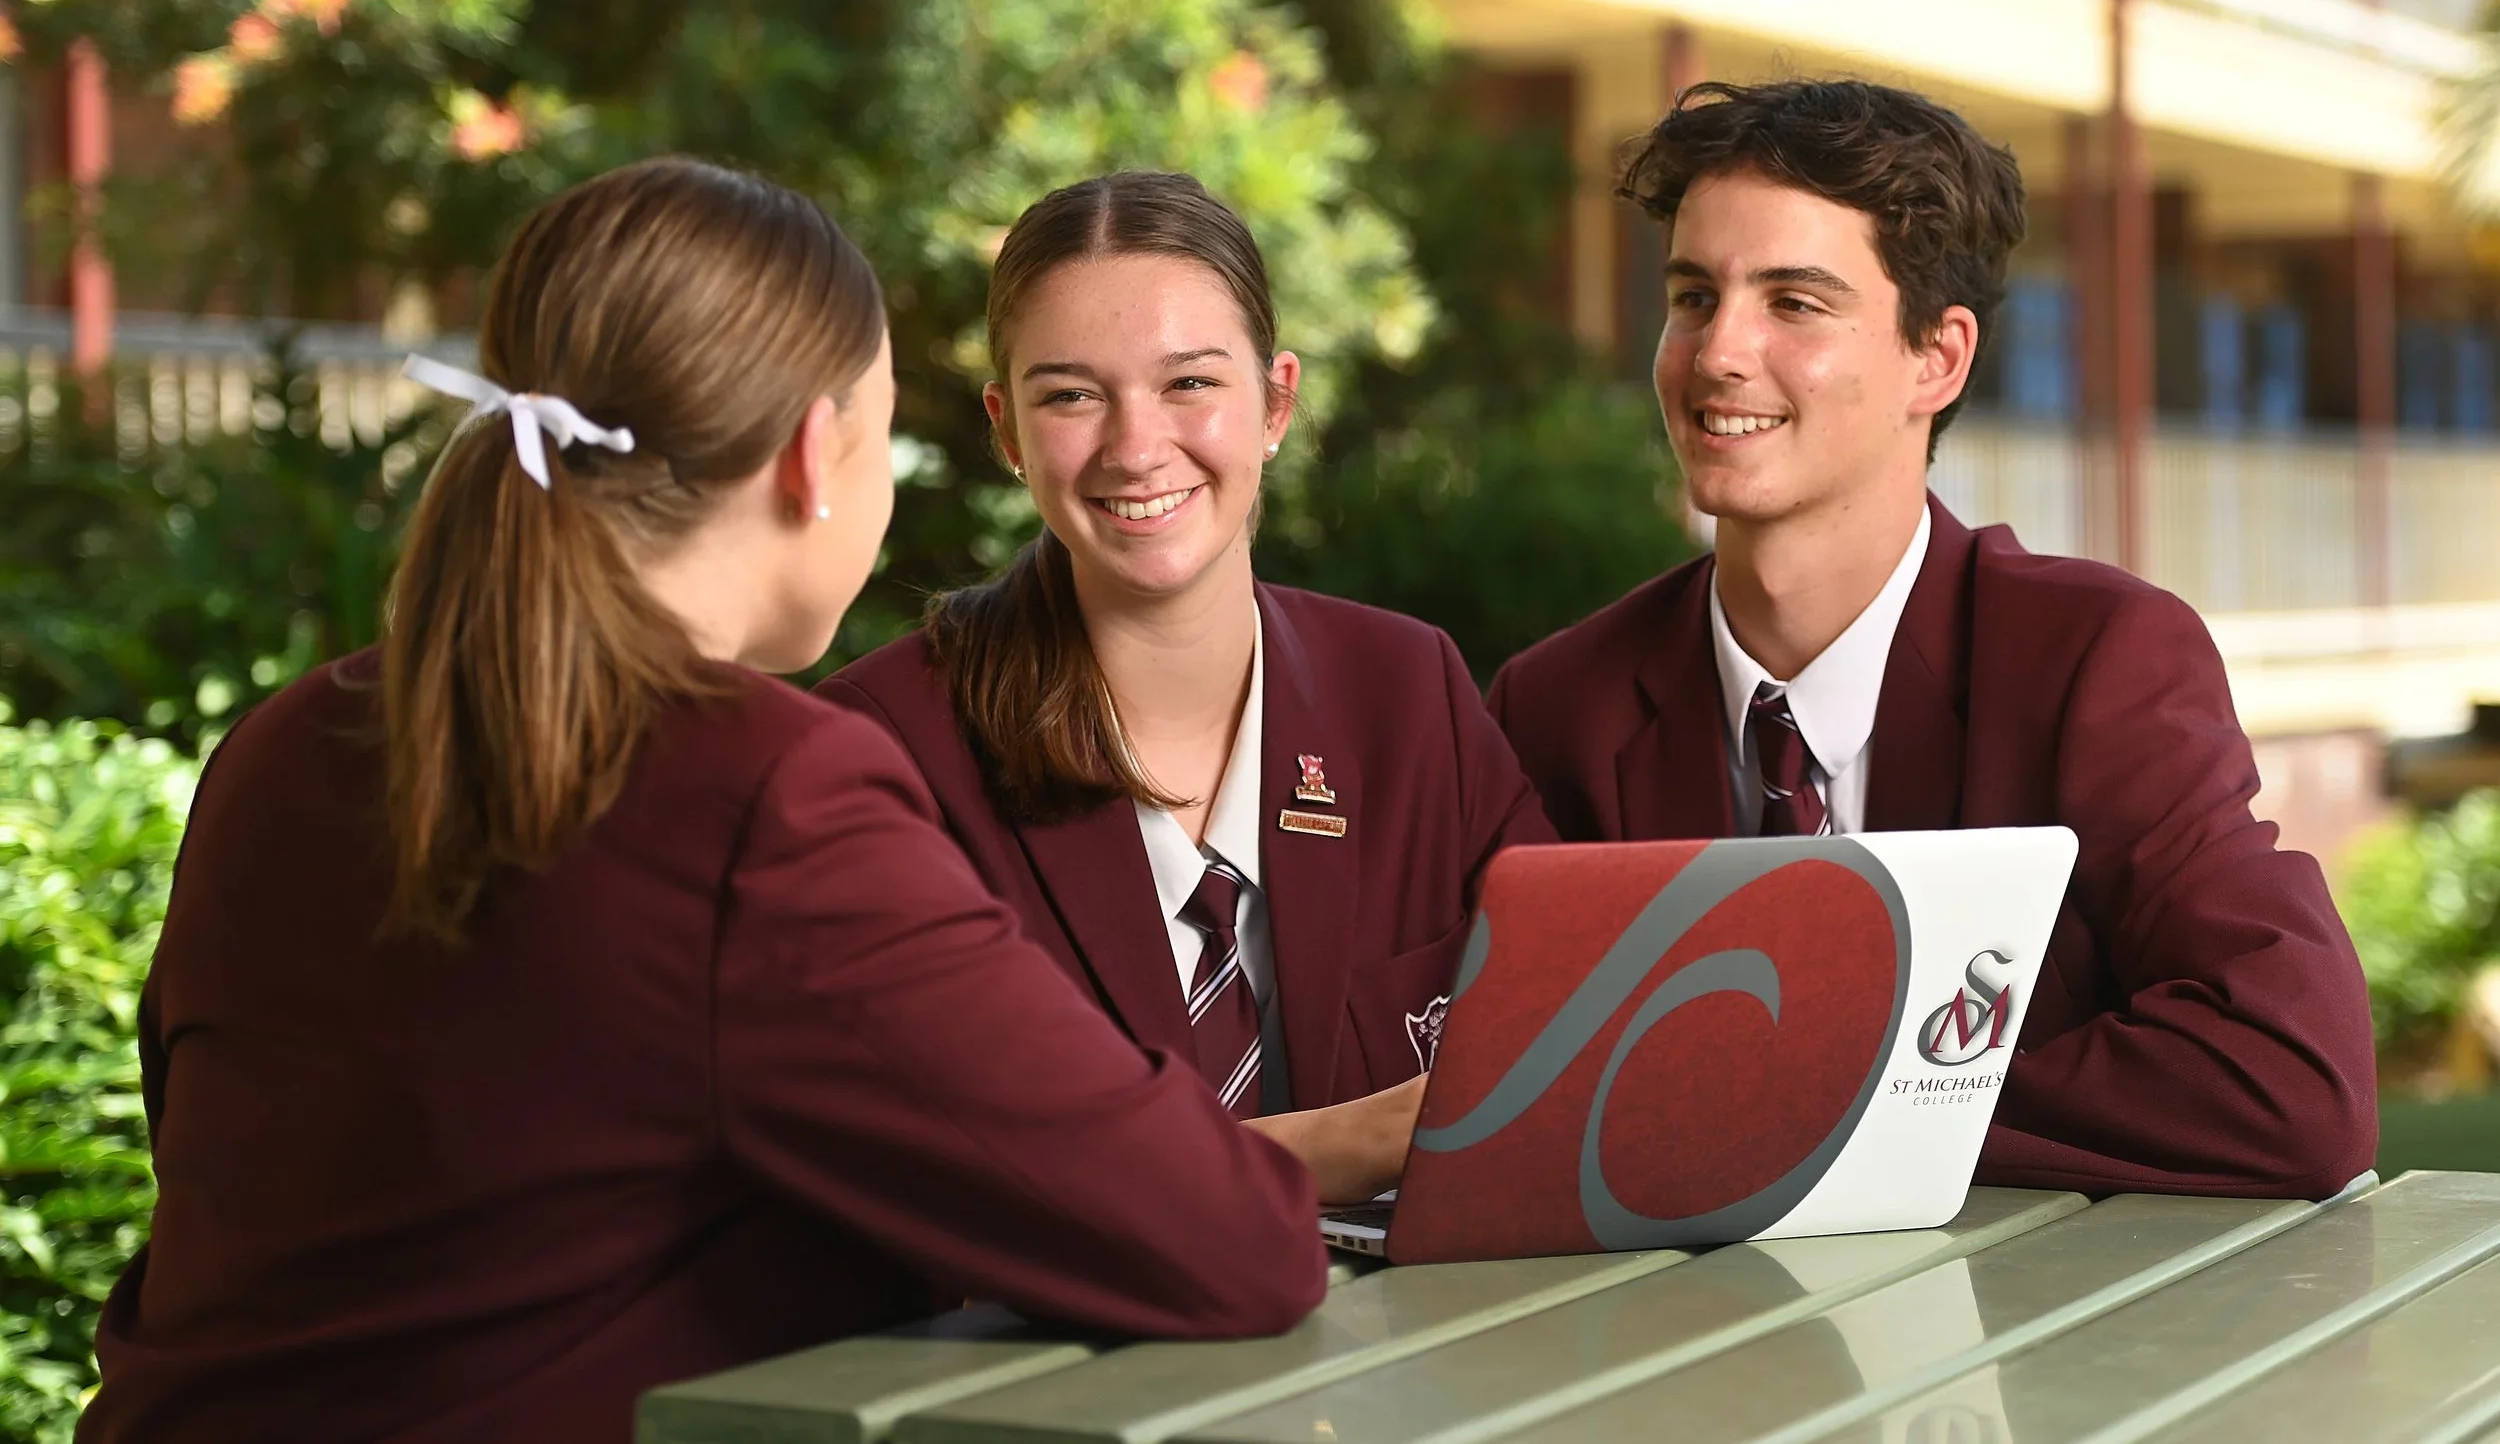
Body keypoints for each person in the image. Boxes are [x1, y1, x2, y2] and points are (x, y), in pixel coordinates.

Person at [81, 159, 1332, 1444]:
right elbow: (1229, 1245)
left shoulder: (285, 744)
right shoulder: (765, 793)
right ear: (811, 455)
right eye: (883, 428)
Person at [1487, 80, 2378, 1200]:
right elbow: (1505, 1097)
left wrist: (1793, 1109)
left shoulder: (2093, 660)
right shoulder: (1558, 703)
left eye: (1794, 303)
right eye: (1691, 295)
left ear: (1937, 360)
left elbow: (2290, 1080)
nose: (1717, 352)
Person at [822, 172, 1552, 1202]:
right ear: (1006, 432)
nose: (1135, 447)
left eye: (1190, 383)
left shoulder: (1407, 689)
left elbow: (1577, 1046)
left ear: (1277, 403)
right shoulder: (880, 752)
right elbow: (918, 1178)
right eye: (1071, 394)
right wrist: (1340, 1142)